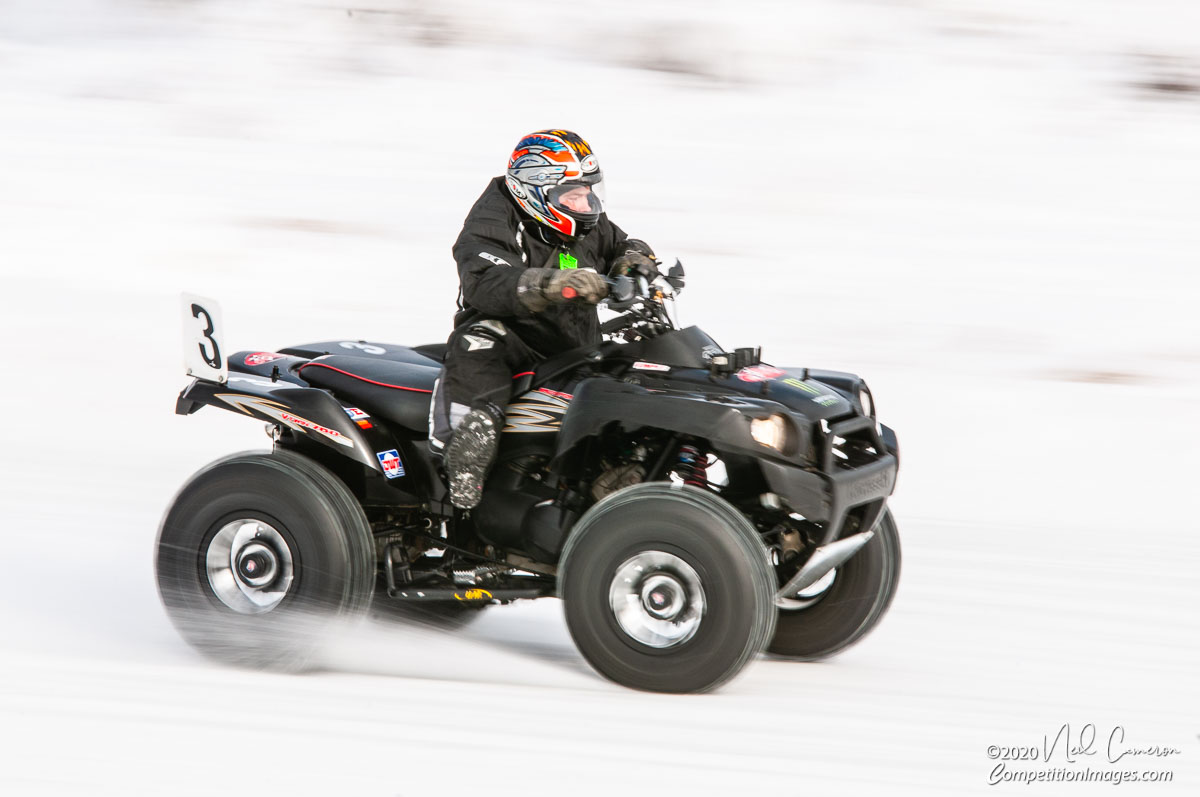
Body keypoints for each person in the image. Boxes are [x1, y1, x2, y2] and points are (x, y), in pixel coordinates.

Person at [430, 129, 657, 509]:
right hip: (512, 335)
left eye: (589, 193)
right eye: (573, 194)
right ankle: (464, 458)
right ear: (536, 191)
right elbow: (485, 281)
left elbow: (621, 243)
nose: (586, 204)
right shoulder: (493, 218)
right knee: (480, 342)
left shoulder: (583, 220)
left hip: (572, 343)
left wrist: (635, 261)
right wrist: (551, 284)